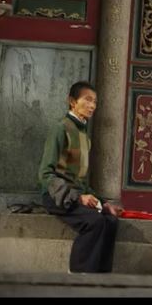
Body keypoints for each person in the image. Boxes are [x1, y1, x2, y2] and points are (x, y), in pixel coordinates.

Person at [38, 81, 124, 273]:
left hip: (77, 196)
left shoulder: (85, 136)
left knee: (110, 221)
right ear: (72, 101)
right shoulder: (60, 129)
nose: (92, 105)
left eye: (95, 101)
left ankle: (101, 278)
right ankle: (78, 276)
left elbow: (81, 182)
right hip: (57, 197)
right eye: (87, 100)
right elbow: (45, 173)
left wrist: (103, 203)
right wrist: (78, 198)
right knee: (94, 222)